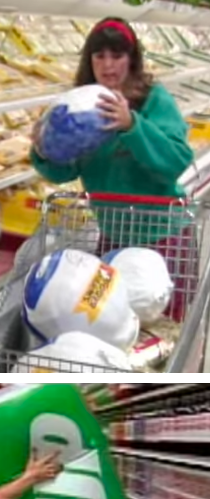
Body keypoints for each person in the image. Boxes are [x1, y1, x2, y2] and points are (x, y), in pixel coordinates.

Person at [30, 17, 196, 317]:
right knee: (115, 320)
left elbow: (175, 161)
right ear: (89, 61)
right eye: (99, 56)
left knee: (166, 325)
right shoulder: (84, 106)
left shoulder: (153, 100)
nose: (108, 65)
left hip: (162, 235)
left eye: (117, 56)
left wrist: (132, 125)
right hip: (114, 232)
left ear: (132, 60)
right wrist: (44, 151)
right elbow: (66, 171)